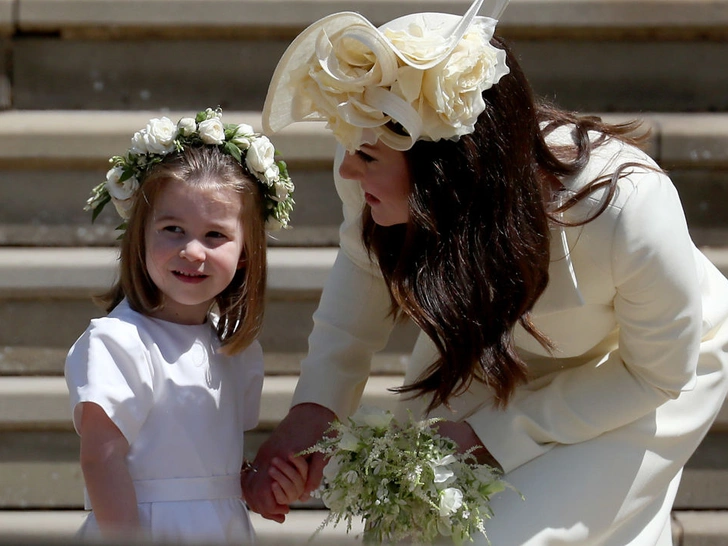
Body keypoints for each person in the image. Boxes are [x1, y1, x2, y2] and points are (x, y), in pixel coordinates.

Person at [242, 0, 728, 543]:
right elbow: (358, 289)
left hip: (637, 375)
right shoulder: (367, 166)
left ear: (448, 168)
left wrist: (492, 434)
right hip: (493, 345)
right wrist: (313, 414)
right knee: (411, 528)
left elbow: (656, 374)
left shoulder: (626, 207)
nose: (349, 169)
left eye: (369, 157)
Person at [65, 108, 303, 544]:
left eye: (215, 235)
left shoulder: (235, 350)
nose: (193, 251)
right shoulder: (119, 342)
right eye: (173, 229)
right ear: (141, 237)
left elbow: (209, 466)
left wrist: (253, 485)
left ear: (246, 253)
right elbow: (102, 460)